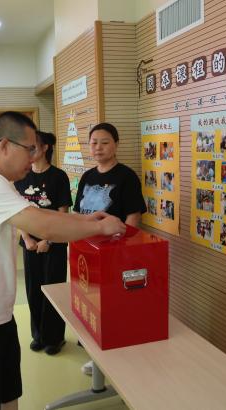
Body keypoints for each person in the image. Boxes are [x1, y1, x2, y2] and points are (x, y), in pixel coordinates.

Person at [0, 112, 125, 410]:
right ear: (4, 146)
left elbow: (43, 214)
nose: (34, 156)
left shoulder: (0, 182)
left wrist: (87, 219)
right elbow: (44, 226)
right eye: (29, 149)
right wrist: (100, 228)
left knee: (8, 398)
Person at [73, 122, 146, 375]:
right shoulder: (87, 177)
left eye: (104, 142)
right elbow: (78, 214)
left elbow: (133, 216)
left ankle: (115, 359)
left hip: (114, 253)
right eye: (94, 143)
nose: (98, 147)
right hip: (87, 251)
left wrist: (123, 251)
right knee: (90, 303)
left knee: (113, 306)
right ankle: (96, 356)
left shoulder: (126, 176)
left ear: (116, 145)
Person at [14, 131, 72, 356]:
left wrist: (48, 239)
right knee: (33, 290)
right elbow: (17, 212)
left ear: (45, 147)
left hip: (54, 244)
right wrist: (27, 238)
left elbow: (63, 213)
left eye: (34, 146)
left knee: (53, 290)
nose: (30, 150)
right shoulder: (22, 176)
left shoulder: (59, 176)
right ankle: (38, 335)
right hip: (30, 245)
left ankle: (55, 338)